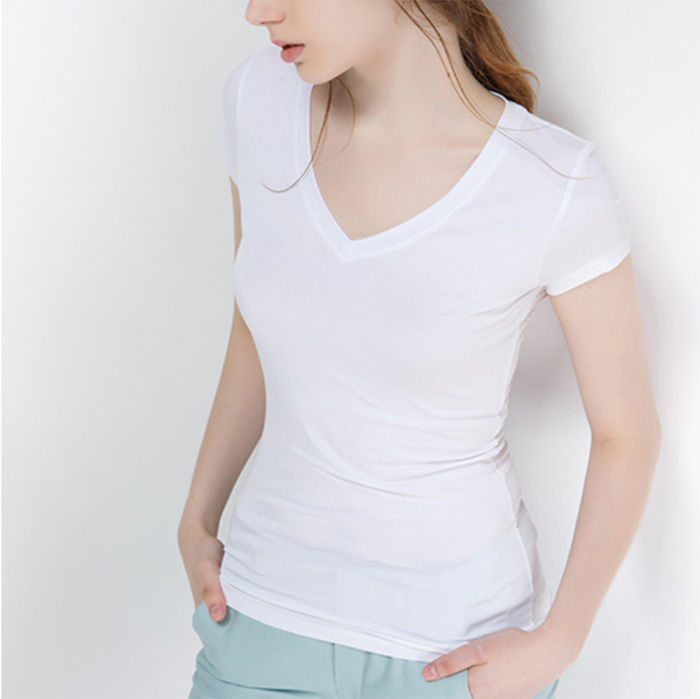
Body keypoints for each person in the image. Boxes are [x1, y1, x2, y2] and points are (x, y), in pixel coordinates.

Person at [178, 1, 662, 697]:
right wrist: (196, 517)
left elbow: (626, 433)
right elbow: (255, 327)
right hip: (258, 628)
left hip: (454, 656)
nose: (259, 11)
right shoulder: (258, 101)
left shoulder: (552, 183)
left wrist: (559, 640)